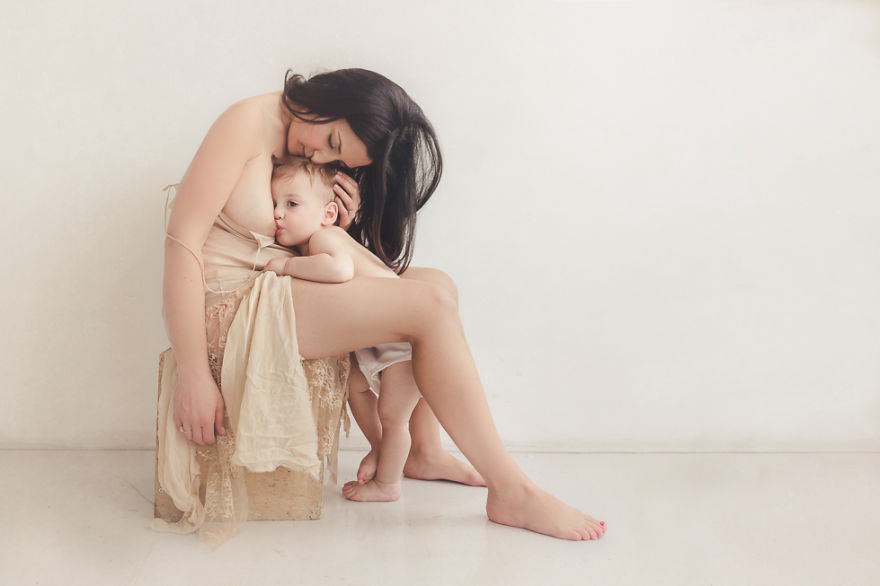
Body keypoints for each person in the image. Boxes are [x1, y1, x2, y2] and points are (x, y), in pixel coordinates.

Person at [164, 68, 606, 540]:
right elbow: (182, 242)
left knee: (438, 285)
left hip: (278, 289)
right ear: (331, 98)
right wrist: (193, 371)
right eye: (331, 139)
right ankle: (512, 491)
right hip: (233, 306)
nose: (321, 155)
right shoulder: (245, 121)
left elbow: (283, 241)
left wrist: (336, 225)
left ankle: (424, 452)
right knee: (427, 305)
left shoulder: (302, 145)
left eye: (339, 156)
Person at [265, 154, 423, 502]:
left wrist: (285, 265)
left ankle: (389, 484)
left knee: (394, 415)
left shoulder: (326, 239)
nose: (277, 212)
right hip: (380, 336)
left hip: (404, 339)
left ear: (328, 214)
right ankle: (380, 448)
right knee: (355, 387)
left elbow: (338, 271)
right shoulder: (318, 241)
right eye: (274, 203)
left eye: (291, 203)